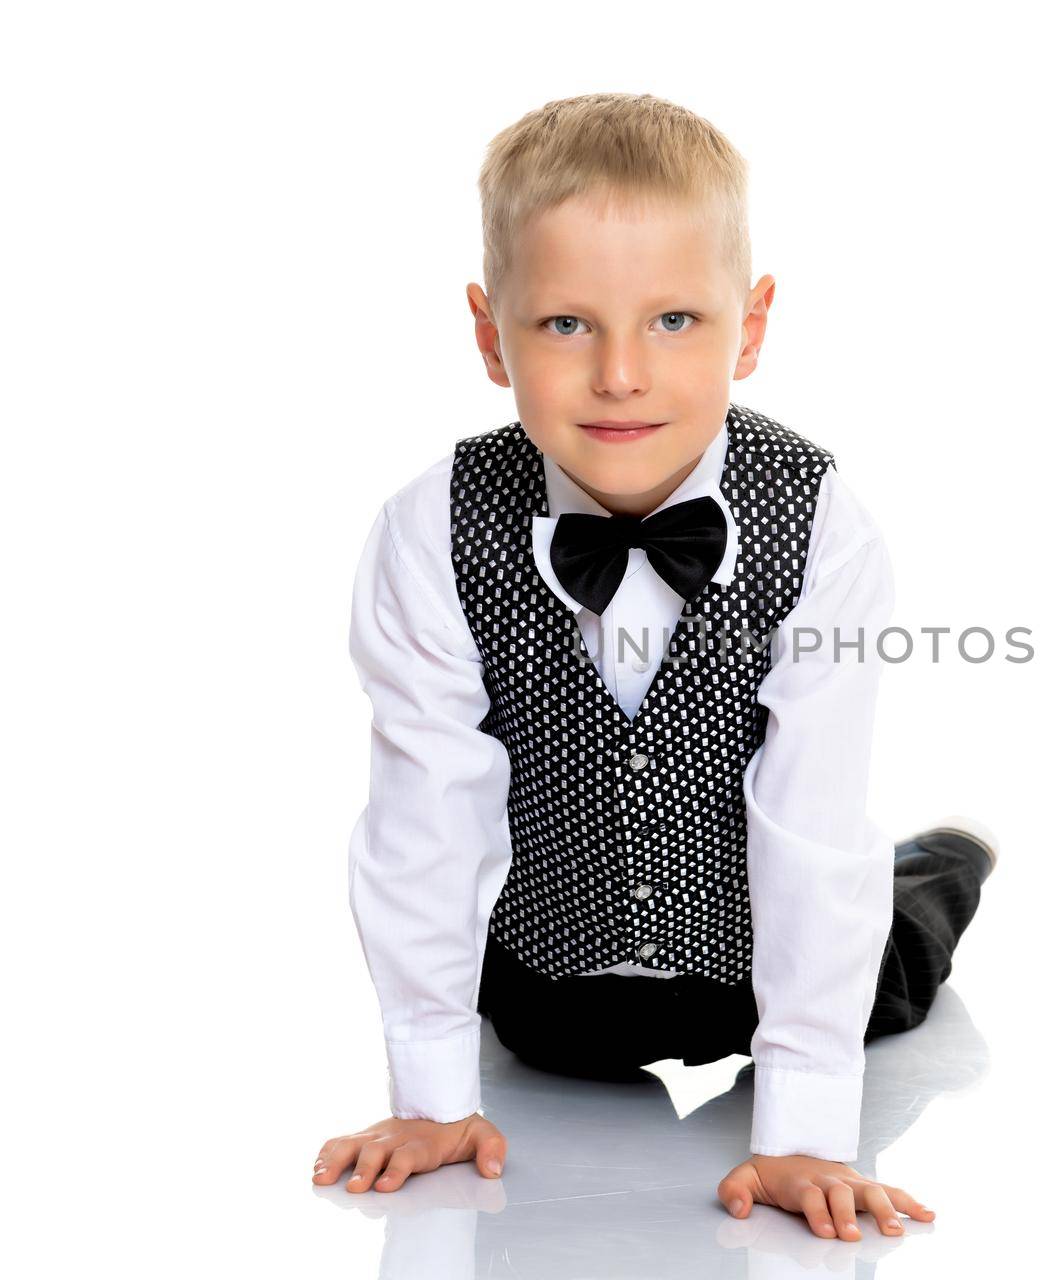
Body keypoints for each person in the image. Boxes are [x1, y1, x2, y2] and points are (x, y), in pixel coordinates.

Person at [310, 91, 998, 1243]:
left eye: (675, 320)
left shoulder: (821, 525)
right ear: (490, 335)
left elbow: (809, 821)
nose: (621, 374)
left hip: (760, 948)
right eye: (566, 325)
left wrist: (804, 1129)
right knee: (565, 1050)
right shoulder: (432, 528)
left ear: (754, 321)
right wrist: (432, 1098)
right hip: (550, 979)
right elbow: (426, 813)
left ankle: (942, 863)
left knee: (888, 943)